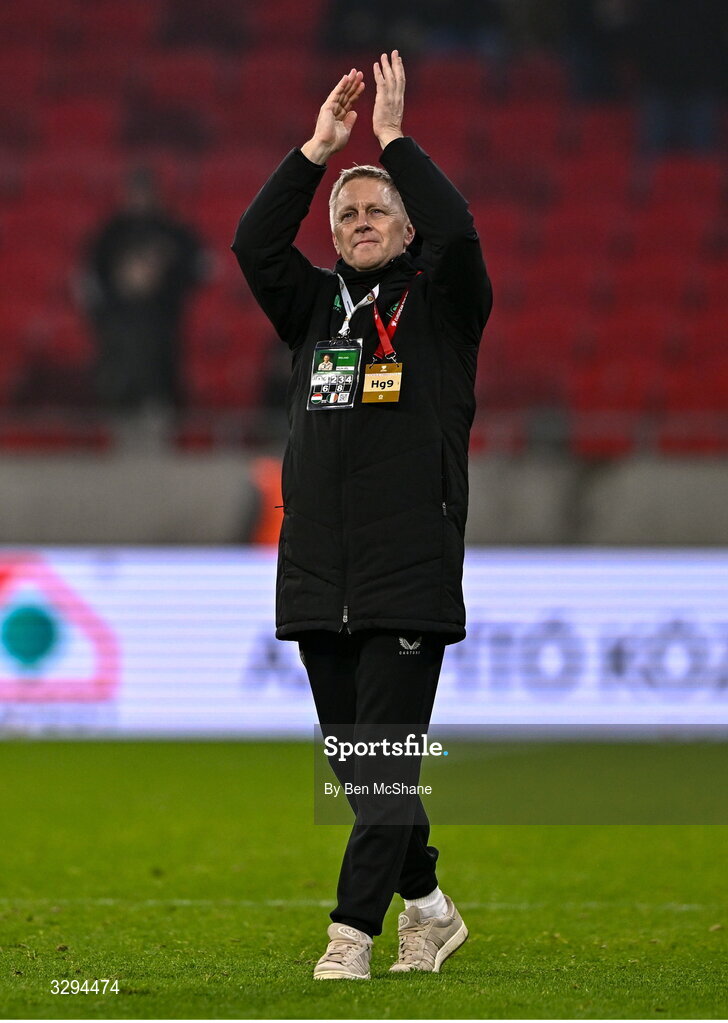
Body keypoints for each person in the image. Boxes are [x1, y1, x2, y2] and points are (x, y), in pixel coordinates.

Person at [232, 51, 491, 979]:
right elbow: (254, 246)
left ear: (406, 225)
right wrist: (316, 152)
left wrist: (395, 143)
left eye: (376, 208)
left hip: (407, 570)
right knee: (360, 765)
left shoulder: (445, 305)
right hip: (315, 571)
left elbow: (458, 232)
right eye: (346, 213)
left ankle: (352, 934)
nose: (359, 221)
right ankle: (429, 906)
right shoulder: (313, 309)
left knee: (381, 764)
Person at [79, 167, 207, 448]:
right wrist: (123, 281)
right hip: (118, 329)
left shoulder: (172, 229)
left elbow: (199, 268)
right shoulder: (110, 232)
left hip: (161, 326)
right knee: (120, 393)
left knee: (158, 392)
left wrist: (160, 275)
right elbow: (90, 280)